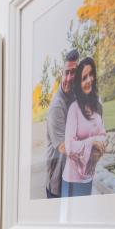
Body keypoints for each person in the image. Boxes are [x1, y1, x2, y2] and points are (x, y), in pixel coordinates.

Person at [61, 57, 106, 197]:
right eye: (84, 78)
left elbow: (103, 134)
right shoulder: (74, 109)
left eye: (91, 74)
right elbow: (69, 146)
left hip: (89, 177)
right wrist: (91, 142)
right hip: (72, 182)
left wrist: (100, 143)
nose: (89, 80)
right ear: (79, 84)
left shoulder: (97, 105)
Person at [44, 50, 79, 198]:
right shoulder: (56, 107)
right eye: (67, 72)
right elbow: (65, 147)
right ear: (62, 73)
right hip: (57, 187)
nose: (69, 78)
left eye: (74, 73)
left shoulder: (75, 97)